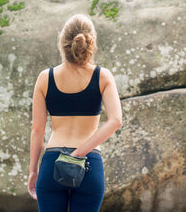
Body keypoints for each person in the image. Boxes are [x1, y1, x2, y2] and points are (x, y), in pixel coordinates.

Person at [27, 14, 123, 211]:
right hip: (88, 163)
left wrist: (33, 170)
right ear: (91, 42)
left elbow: (37, 130)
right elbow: (116, 120)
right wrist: (79, 153)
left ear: (63, 42)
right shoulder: (102, 76)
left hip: (52, 163)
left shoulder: (46, 78)